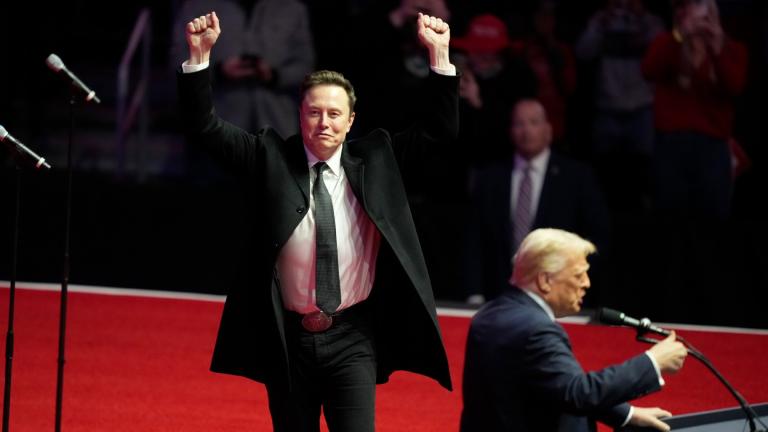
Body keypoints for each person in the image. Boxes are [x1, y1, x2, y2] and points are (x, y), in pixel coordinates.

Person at [177, 11, 458, 432]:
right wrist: (199, 58)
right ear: (299, 115)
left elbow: (440, 133)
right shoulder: (268, 157)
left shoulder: (379, 159)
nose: (323, 123)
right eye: (313, 113)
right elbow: (203, 128)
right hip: (288, 340)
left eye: (333, 114)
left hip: (353, 338)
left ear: (350, 121)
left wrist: (440, 56)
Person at [460, 228, 688, 432]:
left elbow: (549, 386)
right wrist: (653, 362)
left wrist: (626, 414)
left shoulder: (489, 315)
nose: (587, 283)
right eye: (579, 275)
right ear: (545, 280)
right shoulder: (537, 330)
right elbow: (577, 393)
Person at [463, 99, 609, 304]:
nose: (526, 130)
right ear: (510, 131)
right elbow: (474, 240)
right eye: (519, 124)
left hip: (556, 297)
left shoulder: (576, 177)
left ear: (548, 129)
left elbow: (596, 238)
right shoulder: (491, 179)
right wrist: (474, 293)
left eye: (534, 122)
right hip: (498, 297)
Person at [642, 0, 748, 220]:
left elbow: (734, 86)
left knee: (711, 220)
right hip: (671, 146)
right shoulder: (667, 42)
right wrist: (680, 36)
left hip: (713, 148)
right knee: (670, 218)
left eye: (699, 8)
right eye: (686, 8)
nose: (693, 14)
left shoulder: (733, 49)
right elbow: (650, 69)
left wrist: (717, 43)